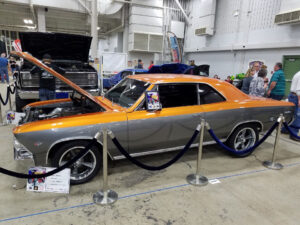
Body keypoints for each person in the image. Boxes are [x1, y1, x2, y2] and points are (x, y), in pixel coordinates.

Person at [281, 70, 300, 141]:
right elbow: (299, 90)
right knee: (297, 116)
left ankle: (285, 129)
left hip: (293, 96)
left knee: (290, 114)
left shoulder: (297, 73)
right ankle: (294, 134)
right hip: (296, 97)